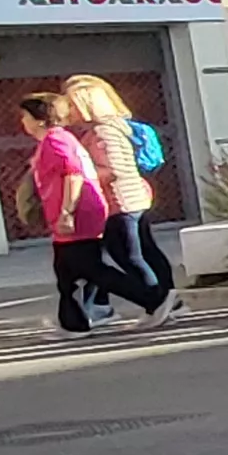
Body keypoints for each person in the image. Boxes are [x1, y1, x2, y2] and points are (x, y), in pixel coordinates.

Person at [20, 91, 172, 336]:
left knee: (91, 268)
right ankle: (73, 323)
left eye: (25, 116)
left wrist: (67, 212)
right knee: (66, 271)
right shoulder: (57, 140)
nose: (22, 122)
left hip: (79, 213)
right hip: (76, 213)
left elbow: (73, 174)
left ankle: (153, 299)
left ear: (39, 119)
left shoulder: (56, 141)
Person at [59, 75, 170, 297]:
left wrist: (81, 175)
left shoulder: (104, 132)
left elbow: (113, 170)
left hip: (120, 203)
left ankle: (158, 301)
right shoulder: (110, 128)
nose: (68, 110)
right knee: (145, 253)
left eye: (72, 104)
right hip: (131, 200)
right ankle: (167, 297)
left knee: (129, 257)